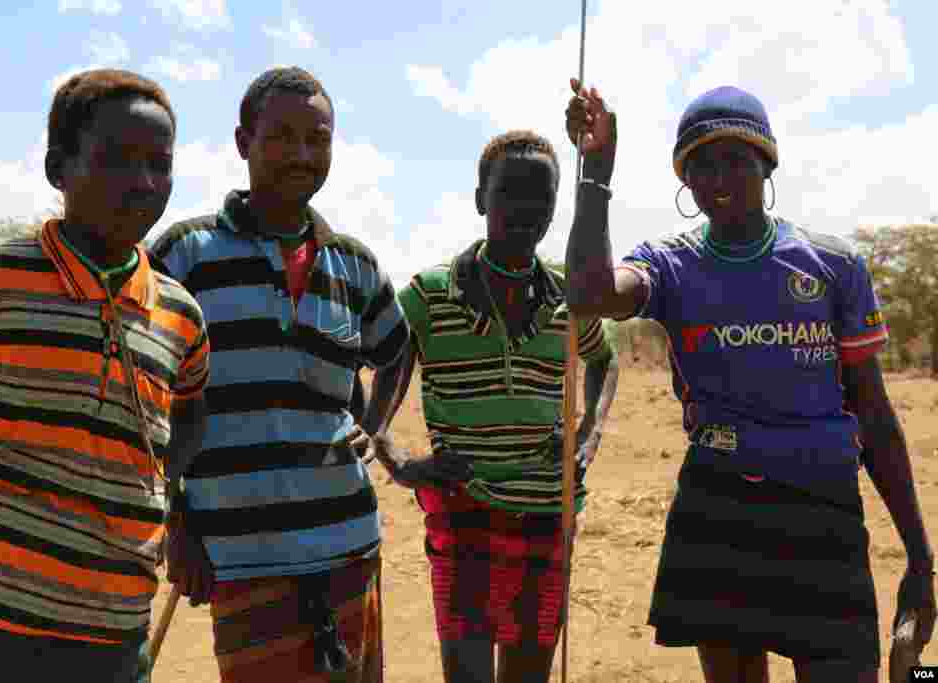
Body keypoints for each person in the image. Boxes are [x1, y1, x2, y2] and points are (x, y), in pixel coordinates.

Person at [563, 79, 936, 682]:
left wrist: (920, 558)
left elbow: (874, 414)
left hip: (823, 510)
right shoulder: (670, 263)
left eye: (735, 160)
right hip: (720, 506)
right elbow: (589, 295)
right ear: (684, 180)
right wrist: (596, 172)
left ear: (766, 164)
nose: (718, 178)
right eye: (701, 165)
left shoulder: (833, 264)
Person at [0, 68, 210, 682]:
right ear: (58, 169)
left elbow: (186, 421)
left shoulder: (181, 316)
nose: (144, 183)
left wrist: (169, 506)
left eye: (160, 163)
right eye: (116, 160)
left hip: (115, 625)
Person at [148, 66, 410, 683]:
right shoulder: (184, 254)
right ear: (243, 142)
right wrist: (177, 521)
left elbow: (397, 349)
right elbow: (144, 404)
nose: (302, 154)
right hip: (239, 553)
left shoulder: (354, 263)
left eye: (317, 139)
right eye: (282, 137)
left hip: (347, 539)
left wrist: (373, 426)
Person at [368, 130, 620, 683]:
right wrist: (392, 455)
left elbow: (605, 361)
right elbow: (385, 369)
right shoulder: (431, 294)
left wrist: (588, 435)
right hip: (464, 509)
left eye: (542, 198)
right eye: (510, 193)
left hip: (548, 508)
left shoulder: (569, 294)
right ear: (482, 198)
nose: (525, 210)